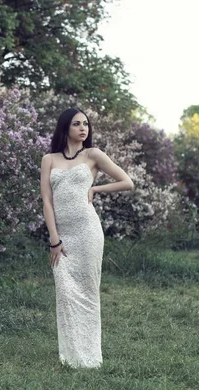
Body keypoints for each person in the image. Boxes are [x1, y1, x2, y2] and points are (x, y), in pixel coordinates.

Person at [40, 108, 134, 368]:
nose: (83, 128)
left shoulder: (93, 155)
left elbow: (127, 182)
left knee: (89, 293)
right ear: (65, 128)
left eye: (86, 124)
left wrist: (96, 188)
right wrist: (54, 239)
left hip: (88, 231)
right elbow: (47, 201)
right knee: (66, 292)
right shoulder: (49, 159)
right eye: (76, 124)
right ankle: (70, 357)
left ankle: (91, 358)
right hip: (63, 235)